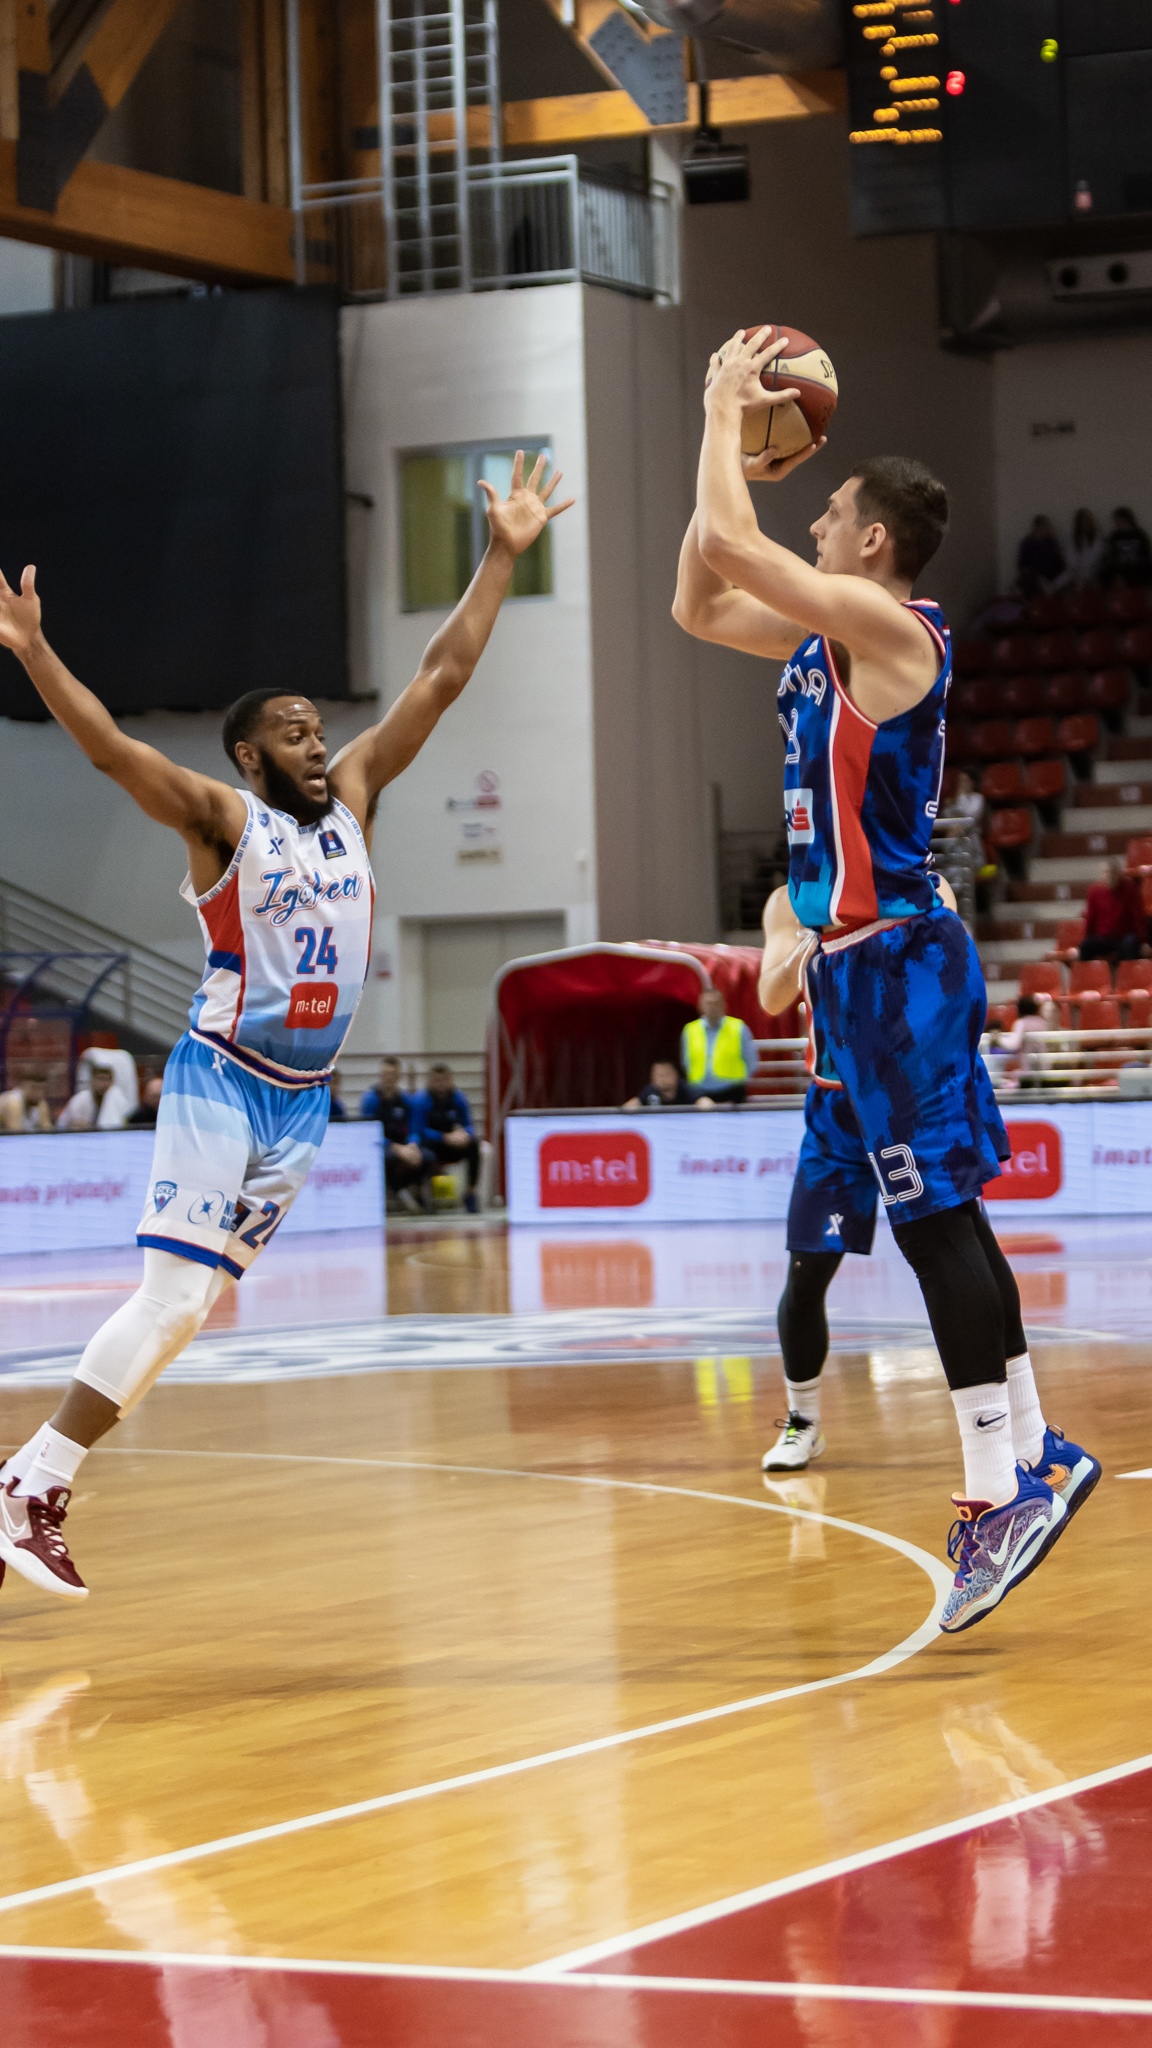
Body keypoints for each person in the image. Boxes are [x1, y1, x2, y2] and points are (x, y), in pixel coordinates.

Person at [0, 449, 572, 1600]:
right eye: (297, 733)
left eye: (320, 729)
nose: (319, 743)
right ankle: (35, 1482)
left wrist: (501, 556)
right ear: (251, 755)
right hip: (223, 1076)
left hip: (303, 1105)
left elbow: (441, 675)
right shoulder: (223, 821)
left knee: (189, 1312)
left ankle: (28, 1482)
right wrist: (34, 652)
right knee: (171, 1299)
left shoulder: (355, 801)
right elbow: (112, 751)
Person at [672, 327, 1099, 1634]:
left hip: (902, 959)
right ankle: (1036, 1446)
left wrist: (719, 415)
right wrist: (727, 450)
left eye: (832, 510)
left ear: (872, 542)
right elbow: (700, 600)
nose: (813, 514)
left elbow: (736, 545)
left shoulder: (893, 630)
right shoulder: (820, 640)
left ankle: (996, 1496)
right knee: (946, 1218)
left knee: (931, 1224)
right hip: (860, 969)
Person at [409, 1063, 481, 1213]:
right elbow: (419, 1130)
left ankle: (470, 1192)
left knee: (474, 1145)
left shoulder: (458, 1098)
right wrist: (444, 1137)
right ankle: (421, 1194)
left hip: (452, 1145)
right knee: (423, 1152)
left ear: (450, 1080)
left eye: (444, 1080)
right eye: (437, 1080)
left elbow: (469, 1125)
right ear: (430, 1081)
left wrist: (464, 1135)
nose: (441, 1084)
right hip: (432, 1144)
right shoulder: (422, 1100)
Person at [360, 1056, 429, 1211]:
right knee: (387, 1158)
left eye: (392, 1074)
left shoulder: (406, 1100)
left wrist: (412, 1144)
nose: (389, 1078)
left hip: (404, 1145)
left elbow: (414, 1128)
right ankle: (399, 1191)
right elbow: (369, 1132)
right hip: (381, 1145)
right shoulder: (371, 1100)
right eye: (386, 1074)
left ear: (399, 1076)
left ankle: (417, 1192)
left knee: (427, 1157)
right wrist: (396, 1148)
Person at [680, 988, 757, 1104]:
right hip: (699, 1091)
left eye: (716, 1003)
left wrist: (740, 1081)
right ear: (700, 1006)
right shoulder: (690, 1030)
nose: (712, 1007)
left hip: (732, 1090)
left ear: (724, 1005)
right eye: (708, 1003)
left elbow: (751, 1060)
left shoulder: (739, 1028)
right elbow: (686, 1061)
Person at [1080, 857, 1148, 963]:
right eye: (1106, 872)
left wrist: (1144, 941)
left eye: (1113, 872)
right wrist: (1087, 937)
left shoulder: (1130, 889)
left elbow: (1137, 917)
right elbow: (1091, 918)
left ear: (1119, 874)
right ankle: (1084, 974)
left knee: (1130, 943)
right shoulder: (1094, 891)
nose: (1110, 876)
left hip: (1124, 937)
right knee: (1085, 946)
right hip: (1103, 938)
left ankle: (1129, 973)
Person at [56, 1053, 133, 1131]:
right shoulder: (81, 1100)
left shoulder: (116, 1098)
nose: (104, 1084)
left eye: (108, 1079)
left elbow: (124, 1122)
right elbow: (74, 1125)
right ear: (92, 1080)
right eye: (100, 1079)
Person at [1013, 515, 1069, 600]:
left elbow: (1058, 563)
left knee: (1070, 575)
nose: (1046, 529)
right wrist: (1038, 577)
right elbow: (1023, 566)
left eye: (1047, 526)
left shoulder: (1050, 542)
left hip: (1050, 576)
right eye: (1044, 526)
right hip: (1034, 577)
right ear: (1037, 527)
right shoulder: (1027, 543)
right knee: (1025, 584)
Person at [1101, 506, 1152, 589]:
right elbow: (1110, 556)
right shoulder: (1114, 536)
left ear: (1126, 519)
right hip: (1120, 568)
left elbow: (1146, 555)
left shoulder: (1140, 535)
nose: (1116, 523)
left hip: (1137, 568)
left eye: (1118, 520)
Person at [624, 1058, 706, 1109]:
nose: (663, 1079)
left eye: (666, 1074)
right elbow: (629, 1107)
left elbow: (705, 1103)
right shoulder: (649, 1092)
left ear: (675, 1075)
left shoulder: (686, 1088)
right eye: (659, 1075)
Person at [1068, 508, 1102, 588]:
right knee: (1068, 577)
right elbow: (1071, 557)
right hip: (1077, 571)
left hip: (1094, 570)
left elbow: (1097, 556)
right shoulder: (1073, 538)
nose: (1085, 524)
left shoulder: (1096, 536)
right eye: (1082, 522)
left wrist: (1086, 572)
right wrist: (1078, 572)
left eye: (1087, 521)